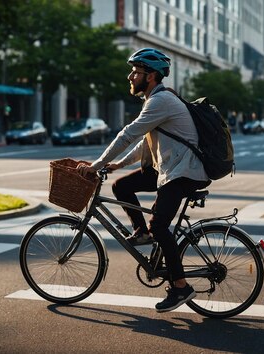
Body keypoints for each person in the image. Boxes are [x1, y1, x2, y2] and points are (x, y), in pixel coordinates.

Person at [76, 48, 210, 313]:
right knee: (121, 185)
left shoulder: (160, 101)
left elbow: (128, 134)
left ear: (151, 76)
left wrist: (96, 166)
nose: (130, 76)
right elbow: (146, 145)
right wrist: (116, 165)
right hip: (171, 169)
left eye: (135, 72)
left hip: (184, 172)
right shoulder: (156, 100)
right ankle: (142, 233)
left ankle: (181, 287)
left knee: (161, 226)